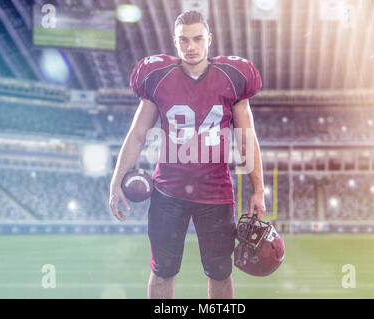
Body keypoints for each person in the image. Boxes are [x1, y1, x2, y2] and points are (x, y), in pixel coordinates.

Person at [109, 10, 265, 299]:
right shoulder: (158, 76)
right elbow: (138, 134)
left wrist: (258, 190)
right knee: (162, 269)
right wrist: (115, 181)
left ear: (209, 39)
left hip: (216, 194)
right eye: (183, 40)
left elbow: (247, 137)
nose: (190, 46)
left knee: (220, 272)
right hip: (168, 192)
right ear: (175, 42)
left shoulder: (232, 76)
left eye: (197, 39)